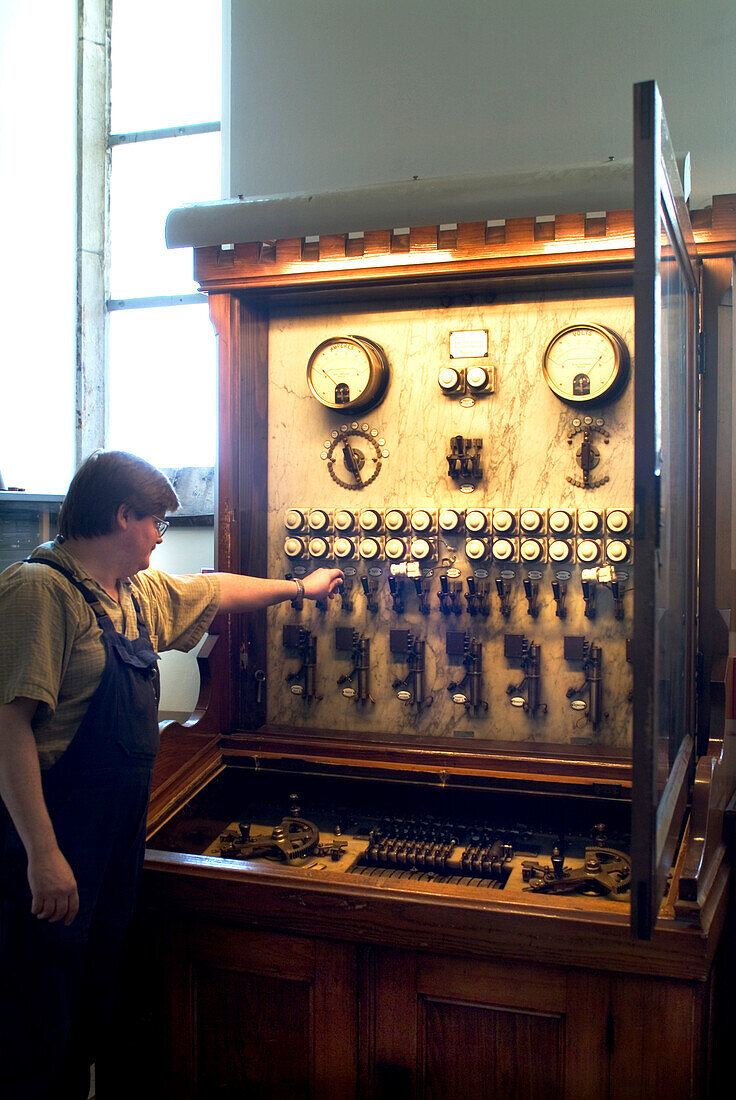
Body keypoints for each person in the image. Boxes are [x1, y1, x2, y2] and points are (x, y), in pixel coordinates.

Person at [0, 450, 343, 1099]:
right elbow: (8, 730)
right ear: (123, 515)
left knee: (91, 1010)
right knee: (34, 1021)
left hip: (111, 840)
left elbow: (214, 590)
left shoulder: (136, 594)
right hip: (47, 837)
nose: (162, 533)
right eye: (156, 519)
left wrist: (302, 588)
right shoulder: (39, 592)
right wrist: (44, 855)